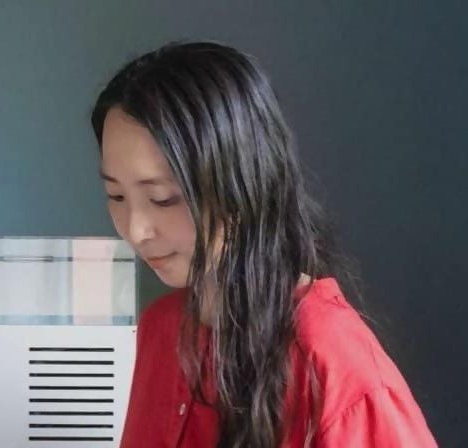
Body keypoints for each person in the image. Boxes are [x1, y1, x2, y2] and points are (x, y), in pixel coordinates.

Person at [90, 41, 437, 447]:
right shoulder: (160, 329)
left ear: (242, 185)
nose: (135, 230)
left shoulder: (333, 361)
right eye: (116, 196)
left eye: (163, 198)